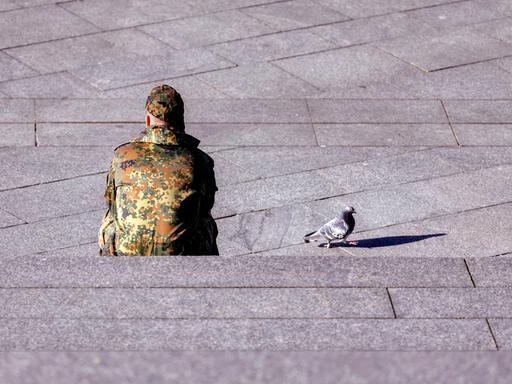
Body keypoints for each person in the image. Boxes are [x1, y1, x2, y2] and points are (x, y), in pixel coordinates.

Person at [98, 85, 218, 256]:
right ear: (181, 120)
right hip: (179, 254)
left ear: (148, 121)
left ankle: (108, 270)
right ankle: (208, 275)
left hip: (127, 250)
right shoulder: (199, 160)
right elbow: (206, 204)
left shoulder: (122, 155)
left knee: (111, 216)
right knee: (206, 221)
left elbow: (111, 200)